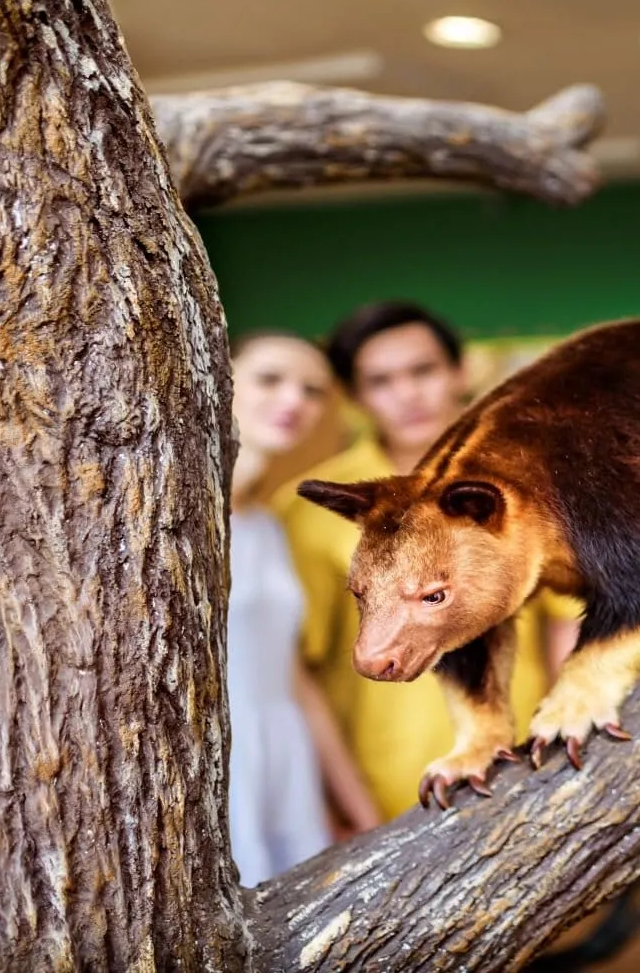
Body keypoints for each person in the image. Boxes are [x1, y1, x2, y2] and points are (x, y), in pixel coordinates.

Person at [273, 301, 581, 820]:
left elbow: (564, 625)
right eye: (381, 381)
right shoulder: (315, 509)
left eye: (423, 371)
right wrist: (340, 810)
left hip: (518, 766)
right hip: (381, 787)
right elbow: (297, 675)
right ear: (353, 398)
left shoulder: (526, 487)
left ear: (459, 372)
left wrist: (554, 755)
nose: (408, 394)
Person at [225, 330, 382, 886]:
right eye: (270, 379)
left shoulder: (267, 525)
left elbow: (294, 681)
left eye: (313, 390)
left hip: (285, 758)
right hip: (220, 762)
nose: (294, 401)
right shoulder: (179, 517)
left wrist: (363, 817)